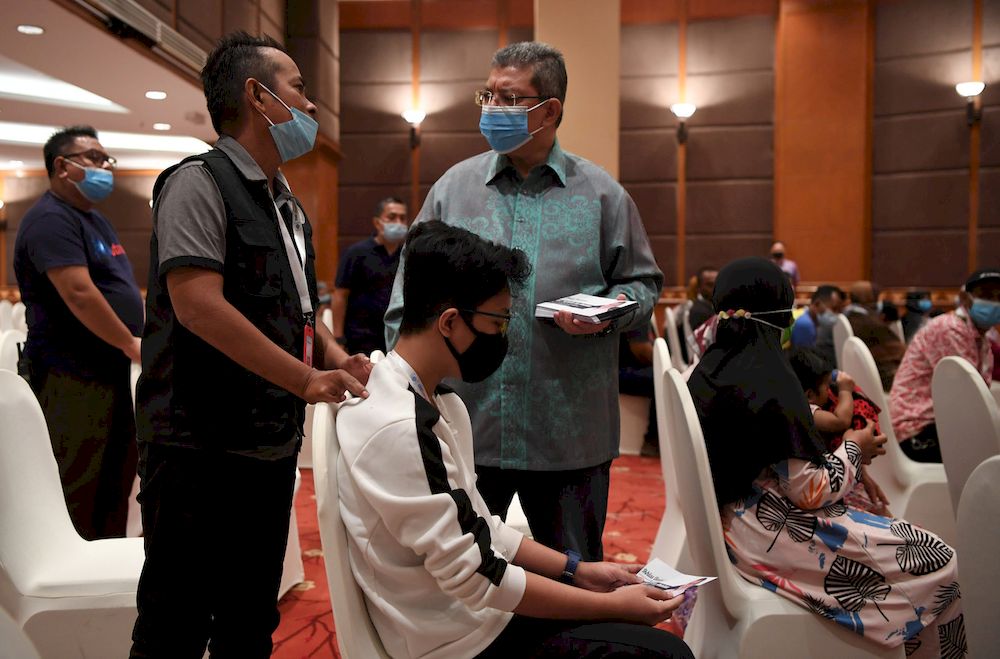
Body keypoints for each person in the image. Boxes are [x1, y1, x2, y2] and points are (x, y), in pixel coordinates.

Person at [339, 220, 692, 659]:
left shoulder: (434, 400)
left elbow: (486, 529)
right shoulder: (400, 426)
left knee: (647, 640)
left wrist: (579, 571)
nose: (504, 336)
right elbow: (478, 576)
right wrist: (607, 606)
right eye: (499, 321)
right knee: (664, 653)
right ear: (450, 322)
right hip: (455, 640)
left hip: (472, 615)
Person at [130, 32, 372, 659]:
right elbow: (197, 304)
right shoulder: (196, 182)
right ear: (258, 97)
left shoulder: (283, 199)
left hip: (264, 441)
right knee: (173, 626)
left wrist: (336, 354)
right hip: (195, 446)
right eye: (298, 87)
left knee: (248, 620)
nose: (312, 106)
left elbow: (294, 306)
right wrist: (303, 379)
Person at [384, 41, 663, 561]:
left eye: (508, 99)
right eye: (486, 95)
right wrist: (411, 394)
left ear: (549, 110)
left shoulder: (601, 196)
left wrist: (604, 315)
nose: (492, 108)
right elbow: (407, 296)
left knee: (574, 575)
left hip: (569, 435)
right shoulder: (453, 189)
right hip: (465, 427)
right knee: (459, 575)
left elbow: (644, 286)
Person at [688, 257, 963, 658]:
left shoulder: (707, 369)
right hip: (773, 537)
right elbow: (810, 491)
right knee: (940, 559)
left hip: (737, 529)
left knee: (876, 512)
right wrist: (855, 448)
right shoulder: (770, 375)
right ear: (780, 311)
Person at [13, 125, 142, 541]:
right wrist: (129, 342)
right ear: (62, 167)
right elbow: (79, 293)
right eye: (93, 158)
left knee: (115, 483)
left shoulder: (94, 219)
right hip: (72, 376)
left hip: (110, 371)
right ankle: (74, 588)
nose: (105, 166)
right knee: (80, 483)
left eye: (107, 159)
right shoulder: (50, 219)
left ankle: (106, 575)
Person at [889, 269, 999, 463]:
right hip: (917, 430)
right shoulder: (951, 329)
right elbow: (969, 397)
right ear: (966, 298)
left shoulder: (979, 336)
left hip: (939, 424)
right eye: (986, 294)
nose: (994, 303)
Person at [331, 197, 409, 355]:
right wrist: (338, 339)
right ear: (377, 222)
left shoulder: (407, 255)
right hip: (360, 340)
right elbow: (340, 296)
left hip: (397, 339)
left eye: (403, 218)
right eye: (392, 217)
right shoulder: (357, 253)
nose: (399, 223)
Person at [618, 326, 659, 458]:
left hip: (619, 368)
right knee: (660, 379)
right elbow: (640, 349)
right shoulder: (639, 308)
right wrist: (665, 363)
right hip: (620, 370)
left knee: (661, 375)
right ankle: (652, 439)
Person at [791, 284, 844, 349]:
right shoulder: (805, 324)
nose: (836, 314)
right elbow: (805, 356)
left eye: (839, 310)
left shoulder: (805, 314)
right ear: (817, 304)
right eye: (834, 309)